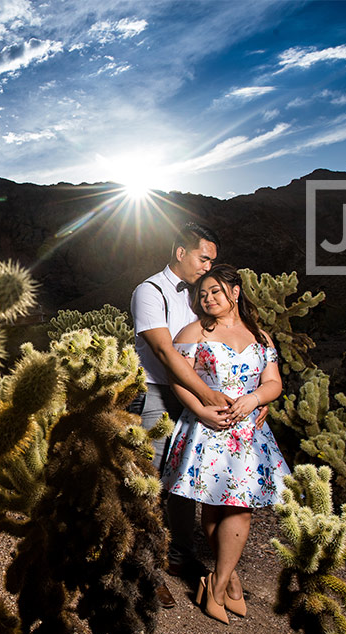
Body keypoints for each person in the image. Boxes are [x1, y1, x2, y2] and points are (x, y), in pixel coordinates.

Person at [163, 264, 289, 624]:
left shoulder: (260, 336)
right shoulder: (194, 332)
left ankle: (215, 586)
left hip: (247, 431)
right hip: (207, 426)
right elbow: (179, 379)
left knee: (240, 506)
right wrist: (201, 410)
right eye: (202, 294)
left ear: (235, 292)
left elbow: (273, 382)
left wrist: (255, 400)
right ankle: (228, 580)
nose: (208, 298)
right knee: (214, 506)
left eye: (215, 291)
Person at [129, 221, 230, 608]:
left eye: (212, 261)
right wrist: (206, 398)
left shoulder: (199, 296)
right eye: (204, 258)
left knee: (184, 480)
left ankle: (179, 557)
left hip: (192, 398)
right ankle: (144, 569)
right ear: (181, 252)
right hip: (157, 394)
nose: (208, 267)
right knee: (150, 483)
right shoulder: (149, 291)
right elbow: (166, 353)